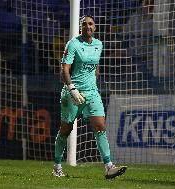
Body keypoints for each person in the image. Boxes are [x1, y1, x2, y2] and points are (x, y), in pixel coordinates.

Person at [52, 15, 127, 179]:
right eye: (84, 24)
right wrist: (72, 89)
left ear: (95, 27)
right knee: (66, 129)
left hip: (92, 92)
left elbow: (95, 68)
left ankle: (109, 166)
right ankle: (57, 166)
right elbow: (64, 70)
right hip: (73, 92)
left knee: (100, 126)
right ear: (80, 27)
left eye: (91, 24)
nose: (88, 26)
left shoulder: (99, 45)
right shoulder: (73, 44)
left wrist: (92, 85)